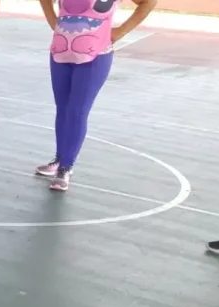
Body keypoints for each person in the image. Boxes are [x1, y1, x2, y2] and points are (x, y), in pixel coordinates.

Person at [36, 0, 157, 191]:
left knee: (77, 111)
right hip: (61, 52)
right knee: (63, 109)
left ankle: (66, 167)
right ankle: (59, 159)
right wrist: (53, 20)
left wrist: (120, 31)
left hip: (95, 55)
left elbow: (148, 2)